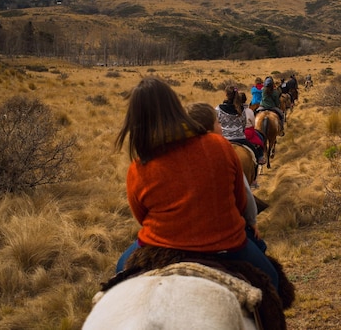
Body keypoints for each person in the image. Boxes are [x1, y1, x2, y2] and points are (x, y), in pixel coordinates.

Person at [113, 77, 277, 290]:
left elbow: (142, 217)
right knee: (272, 280)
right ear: (176, 107)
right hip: (224, 243)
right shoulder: (218, 145)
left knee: (120, 269)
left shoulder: (137, 166)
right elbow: (239, 198)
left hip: (159, 244)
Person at [186, 101, 267, 253]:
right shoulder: (223, 150)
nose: (220, 126)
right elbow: (245, 195)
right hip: (222, 231)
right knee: (270, 270)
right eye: (218, 123)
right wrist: (252, 221)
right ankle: (258, 162)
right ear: (210, 127)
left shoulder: (174, 152)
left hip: (183, 232)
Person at [216, 85, 266, 165]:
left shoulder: (218, 109)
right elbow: (243, 124)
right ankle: (259, 159)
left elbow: (216, 123)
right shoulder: (242, 109)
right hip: (240, 138)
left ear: (226, 94)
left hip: (224, 139)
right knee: (255, 154)